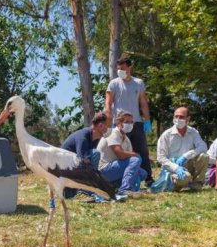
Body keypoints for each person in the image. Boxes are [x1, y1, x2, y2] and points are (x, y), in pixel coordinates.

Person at [104, 56, 154, 186]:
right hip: (119, 123)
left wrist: (147, 119)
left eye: (123, 68)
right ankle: (120, 179)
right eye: (118, 69)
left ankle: (148, 178)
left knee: (142, 150)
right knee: (120, 152)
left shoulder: (138, 83)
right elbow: (108, 104)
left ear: (129, 67)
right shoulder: (114, 83)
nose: (120, 71)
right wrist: (108, 122)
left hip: (136, 122)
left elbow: (143, 102)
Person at [155, 107, 209, 191]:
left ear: (188, 118)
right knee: (185, 177)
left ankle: (196, 184)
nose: (178, 119)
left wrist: (186, 156)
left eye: (181, 117)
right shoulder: (166, 135)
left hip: (188, 164)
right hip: (171, 168)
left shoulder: (193, 132)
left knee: (204, 157)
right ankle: (174, 184)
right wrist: (175, 167)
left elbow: (203, 146)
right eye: (176, 116)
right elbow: (160, 157)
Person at [97, 111, 148, 195]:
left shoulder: (126, 139)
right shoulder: (112, 133)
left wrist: (134, 156)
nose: (130, 124)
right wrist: (135, 154)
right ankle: (125, 189)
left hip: (116, 168)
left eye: (131, 122)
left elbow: (129, 159)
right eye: (127, 122)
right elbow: (120, 155)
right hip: (103, 170)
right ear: (118, 123)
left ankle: (115, 185)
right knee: (135, 160)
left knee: (143, 173)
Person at [61, 112, 109, 198]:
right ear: (101, 126)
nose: (108, 129)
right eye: (107, 126)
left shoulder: (93, 139)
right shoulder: (83, 137)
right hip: (65, 177)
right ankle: (83, 193)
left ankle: (86, 191)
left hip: (72, 175)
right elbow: (82, 163)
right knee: (94, 155)